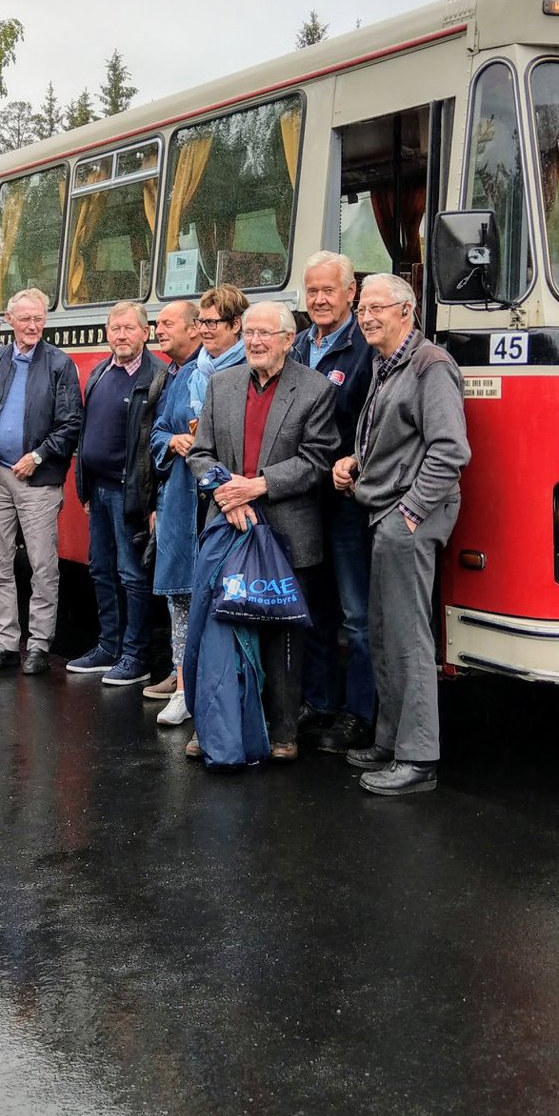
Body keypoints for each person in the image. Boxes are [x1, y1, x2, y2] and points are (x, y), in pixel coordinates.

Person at [331, 274, 470, 797]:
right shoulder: (387, 365)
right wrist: (353, 463)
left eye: (376, 308)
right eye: (362, 308)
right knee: (385, 632)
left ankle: (417, 758)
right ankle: (390, 742)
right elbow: (391, 441)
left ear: (407, 311)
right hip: (385, 513)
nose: (366, 317)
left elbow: (450, 451)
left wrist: (409, 512)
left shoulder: (430, 365)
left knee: (409, 639)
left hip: (409, 518)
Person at [185, 300, 339, 761]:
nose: (254, 341)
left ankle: (283, 733)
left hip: (287, 533)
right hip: (229, 526)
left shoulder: (314, 390)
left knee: (282, 640)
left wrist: (256, 487)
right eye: (249, 332)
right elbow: (200, 453)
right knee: (222, 632)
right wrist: (227, 494)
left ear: (289, 340)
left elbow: (317, 460)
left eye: (264, 334)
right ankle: (217, 727)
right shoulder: (222, 383)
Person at [0, 289, 82, 676]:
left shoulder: (59, 364)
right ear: (9, 319)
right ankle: (6, 642)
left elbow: (70, 424)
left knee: (42, 566)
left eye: (39, 319)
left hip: (39, 481)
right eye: (25, 319)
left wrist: (39, 455)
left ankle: (39, 646)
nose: (33, 326)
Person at [291, 251, 378, 754]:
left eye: (330, 290)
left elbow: (377, 422)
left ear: (352, 294)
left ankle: (359, 713)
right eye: (313, 291)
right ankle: (319, 702)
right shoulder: (298, 345)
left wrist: (355, 463)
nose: (320, 299)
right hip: (303, 500)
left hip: (348, 503)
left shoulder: (366, 348)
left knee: (357, 615)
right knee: (314, 608)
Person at [148, 287, 247, 724]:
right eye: (201, 323)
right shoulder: (189, 374)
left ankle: (224, 694)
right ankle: (183, 687)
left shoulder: (249, 369)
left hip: (224, 502)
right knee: (182, 600)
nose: (204, 331)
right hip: (181, 501)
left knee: (228, 600)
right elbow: (157, 432)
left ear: (235, 326)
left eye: (212, 323)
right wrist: (173, 440)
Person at [71, 301, 165, 687]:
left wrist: (150, 500)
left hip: (130, 494)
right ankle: (108, 646)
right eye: (115, 329)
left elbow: (151, 444)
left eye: (129, 328)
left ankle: (135, 655)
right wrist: (85, 484)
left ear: (146, 332)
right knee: (101, 570)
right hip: (99, 490)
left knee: (132, 574)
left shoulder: (156, 375)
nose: (121, 336)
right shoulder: (100, 372)